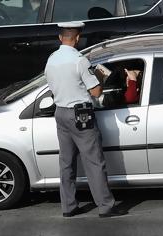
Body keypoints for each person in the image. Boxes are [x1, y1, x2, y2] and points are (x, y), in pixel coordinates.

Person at [45, 22, 127, 218]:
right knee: (94, 162)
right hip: (80, 114)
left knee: (66, 163)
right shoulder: (79, 61)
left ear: (60, 38)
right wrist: (99, 74)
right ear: (78, 38)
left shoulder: (51, 59)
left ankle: (69, 207)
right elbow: (96, 91)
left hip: (61, 113)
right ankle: (106, 206)